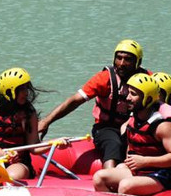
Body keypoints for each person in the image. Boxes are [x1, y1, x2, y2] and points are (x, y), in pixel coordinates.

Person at [38, 39, 149, 169]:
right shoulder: (105, 78)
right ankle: (110, 178)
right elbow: (75, 100)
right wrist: (46, 121)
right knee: (114, 144)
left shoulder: (148, 79)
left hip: (137, 126)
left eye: (128, 59)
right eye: (119, 58)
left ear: (138, 62)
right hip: (107, 127)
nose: (122, 63)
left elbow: (167, 106)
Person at [92, 73, 171, 196]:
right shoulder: (133, 120)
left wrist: (145, 161)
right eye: (128, 93)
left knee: (126, 186)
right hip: (141, 171)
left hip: (164, 175)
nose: (127, 98)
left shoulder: (163, 125)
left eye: (133, 94)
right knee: (99, 177)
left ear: (148, 99)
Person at [0, 68, 41, 185]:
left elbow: (34, 147)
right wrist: (5, 155)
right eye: (21, 89)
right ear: (9, 91)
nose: (26, 92)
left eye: (27, 88)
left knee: (11, 177)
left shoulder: (28, 113)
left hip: (18, 163)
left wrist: (56, 144)